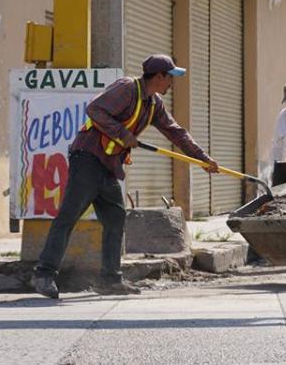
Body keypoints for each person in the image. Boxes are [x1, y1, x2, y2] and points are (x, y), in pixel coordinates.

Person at [31, 54, 219, 298]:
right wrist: (121, 134)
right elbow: (94, 109)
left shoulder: (154, 104)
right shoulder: (127, 88)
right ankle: (44, 275)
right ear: (159, 76)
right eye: (170, 77)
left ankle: (110, 279)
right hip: (87, 159)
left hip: (108, 165)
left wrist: (202, 158)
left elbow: (176, 132)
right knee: (68, 216)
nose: (172, 83)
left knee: (115, 218)